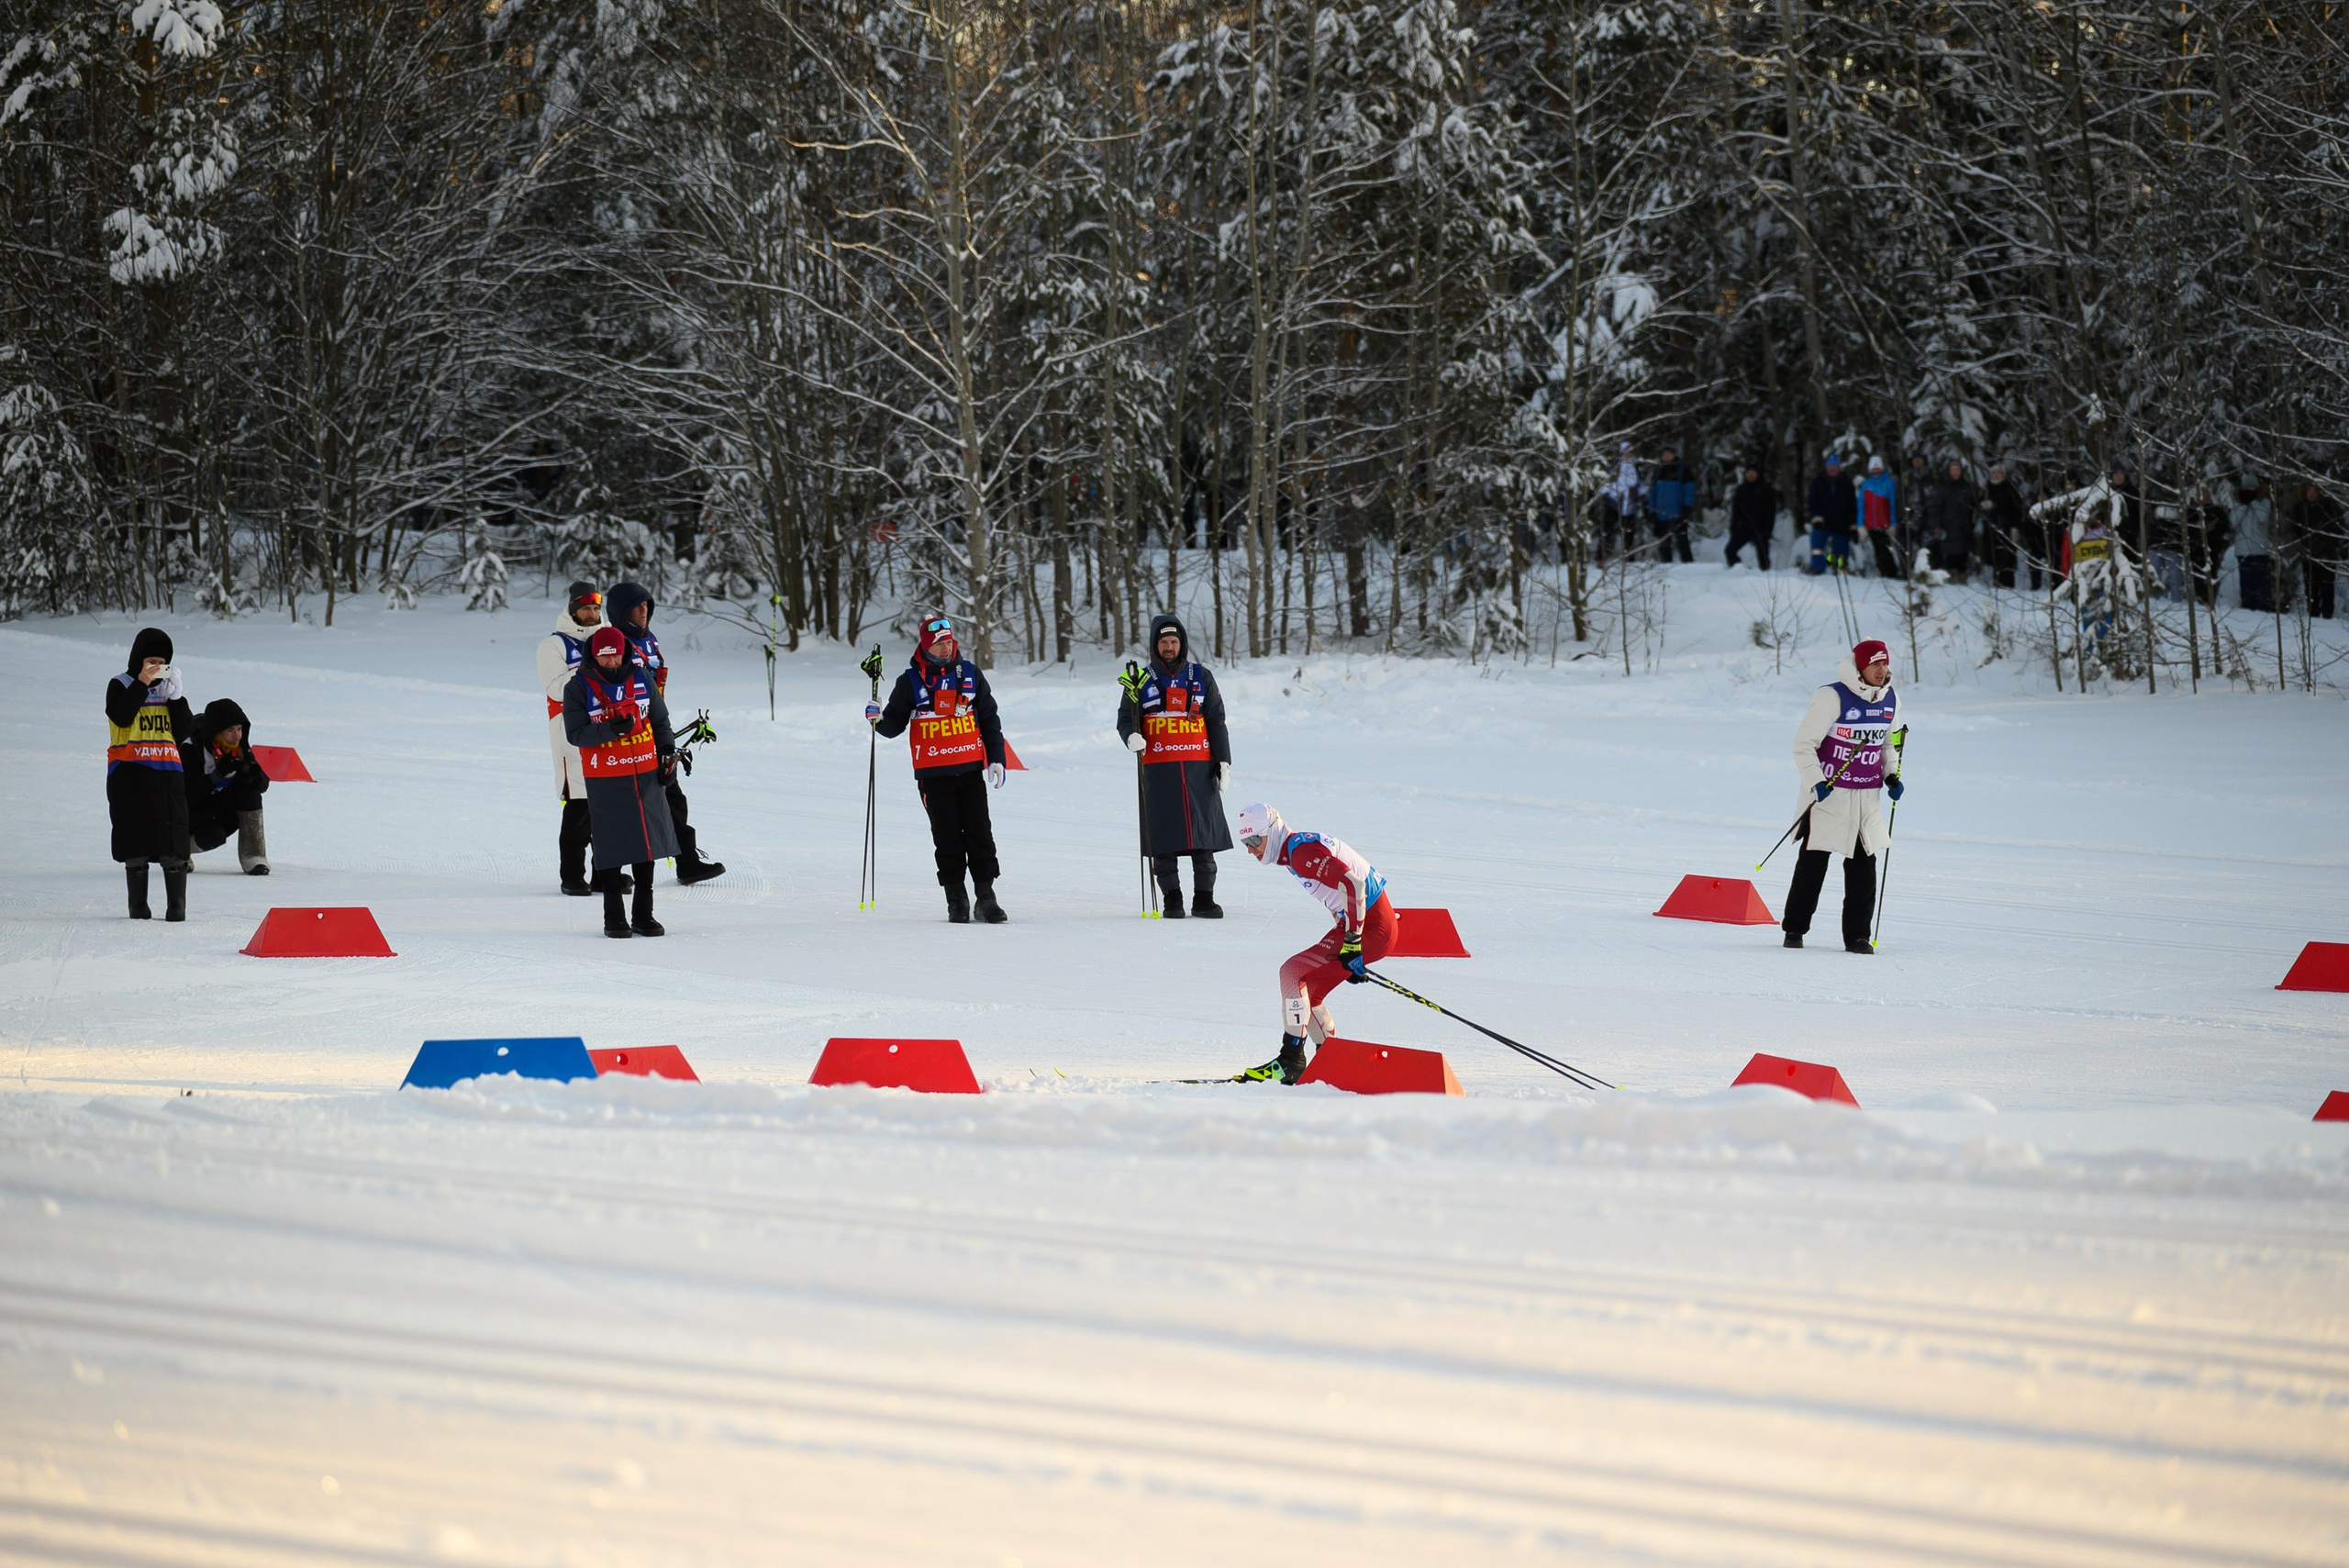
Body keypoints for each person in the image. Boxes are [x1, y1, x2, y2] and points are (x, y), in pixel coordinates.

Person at [1232, 802, 1397, 1084]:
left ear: (1272, 831)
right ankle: (1329, 1059)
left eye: (1255, 840)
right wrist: (1346, 944)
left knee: (1292, 972)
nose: (1250, 849)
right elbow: (1338, 895)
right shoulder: (1295, 851)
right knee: (1310, 992)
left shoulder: (1301, 853)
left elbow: (1354, 885)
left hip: (1372, 926)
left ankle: (1290, 1060)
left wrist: (1353, 943)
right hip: (1367, 925)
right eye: (1245, 843)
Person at [869, 614, 1010, 923]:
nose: (945, 648)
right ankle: (956, 898)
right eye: (938, 643)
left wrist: (996, 758)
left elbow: (989, 718)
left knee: (980, 834)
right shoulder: (909, 681)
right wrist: (877, 717)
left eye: (948, 641)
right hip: (933, 773)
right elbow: (893, 725)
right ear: (925, 646)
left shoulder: (970, 674)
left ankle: (986, 898)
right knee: (947, 837)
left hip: (970, 768)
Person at [1783, 639, 1902, 955]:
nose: (1882, 669)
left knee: (1864, 869)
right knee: (1813, 865)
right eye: (1875, 664)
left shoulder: (1890, 699)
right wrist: (1816, 782)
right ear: (1860, 666)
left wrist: (1892, 774)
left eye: (1885, 663)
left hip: (1868, 800)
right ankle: (1794, 929)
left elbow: (1889, 744)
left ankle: (1858, 937)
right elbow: (1803, 745)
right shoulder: (1832, 696)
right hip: (1830, 797)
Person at [604, 581, 724, 885]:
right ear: (621, 612)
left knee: (672, 796)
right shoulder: (614, 644)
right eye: (637, 606)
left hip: (655, 729)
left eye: (647, 605)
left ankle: (687, 861)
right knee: (626, 804)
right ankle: (606, 870)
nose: (644, 611)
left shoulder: (648, 640)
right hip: (627, 738)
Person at [563, 626, 678, 939]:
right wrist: (611, 730)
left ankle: (644, 915)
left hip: (645, 773)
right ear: (594, 657)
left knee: (647, 844)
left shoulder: (642, 679)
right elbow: (575, 734)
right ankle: (614, 918)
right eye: (604, 656)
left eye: (615, 654)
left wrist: (667, 750)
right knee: (611, 846)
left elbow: (660, 720)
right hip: (606, 775)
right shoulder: (578, 688)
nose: (611, 661)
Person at [1116, 614, 1233, 917]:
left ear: (1182, 644)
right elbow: (1125, 718)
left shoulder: (1202, 676)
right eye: (1164, 642)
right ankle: (1172, 897)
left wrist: (1223, 761)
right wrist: (1131, 737)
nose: (1170, 647)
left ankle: (1204, 897)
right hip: (1159, 768)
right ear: (1156, 646)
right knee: (1163, 834)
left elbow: (1216, 720)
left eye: (1174, 641)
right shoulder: (1139, 679)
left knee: (1202, 834)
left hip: (1198, 767)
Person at [538, 582, 625, 897]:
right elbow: (556, 687)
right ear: (573, 609)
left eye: (596, 608)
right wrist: (593, 670)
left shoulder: (609, 639)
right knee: (580, 806)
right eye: (586, 608)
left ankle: (606, 872)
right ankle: (572, 874)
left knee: (610, 805)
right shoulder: (554, 645)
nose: (592, 614)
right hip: (571, 729)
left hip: (609, 728)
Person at [106, 628, 196, 921]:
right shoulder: (120, 684)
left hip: (168, 772)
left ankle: (176, 905)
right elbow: (120, 715)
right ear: (138, 659)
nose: (156, 667)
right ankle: (138, 904)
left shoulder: (169, 690)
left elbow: (184, 732)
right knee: (135, 835)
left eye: (162, 661)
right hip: (130, 771)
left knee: (173, 836)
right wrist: (141, 684)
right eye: (150, 661)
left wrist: (178, 699)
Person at [184, 698, 269, 874]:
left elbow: (262, 783)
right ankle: (178, 851)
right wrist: (215, 776)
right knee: (211, 836)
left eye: (239, 729)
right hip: (188, 814)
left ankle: (254, 857)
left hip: (217, 807)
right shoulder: (190, 749)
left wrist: (253, 777)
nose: (237, 736)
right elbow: (183, 797)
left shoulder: (239, 746)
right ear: (215, 732)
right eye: (230, 730)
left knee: (250, 794)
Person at [2288, 480, 2340, 619]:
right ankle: (2313, 615)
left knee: (2327, 587)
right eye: (2309, 490)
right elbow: (2295, 529)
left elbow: (2338, 529)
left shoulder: (2329, 507)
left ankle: (2328, 615)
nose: (2311, 493)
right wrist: (2301, 545)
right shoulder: (2300, 507)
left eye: (2314, 490)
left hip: (2327, 554)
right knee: (2311, 588)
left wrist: (2331, 544)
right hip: (2308, 553)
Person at [1926, 458, 1979, 580]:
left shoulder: (1967, 487)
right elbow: (1934, 509)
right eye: (1953, 470)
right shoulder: (1943, 488)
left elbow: (1975, 506)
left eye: (1957, 470)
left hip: (1964, 530)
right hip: (1948, 530)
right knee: (1951, 558)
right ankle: (1952, 580)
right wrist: (1936, 527)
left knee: (1963, 558)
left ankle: (1962, 578)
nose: (1955, 472)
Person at [1804, 452, 1855, 574]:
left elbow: (1852, 504)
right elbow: (1812, 501)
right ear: (1826, 467)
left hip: (1842, 522)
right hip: (1823, 522)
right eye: (1830, 466)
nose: (1832, 469)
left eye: (1835, 466)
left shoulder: (1847, 483)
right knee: (1817, 544)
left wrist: (1853, 523)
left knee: (1841, 547)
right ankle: (1818, 567)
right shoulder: (1818, 482)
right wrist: (1816, 517)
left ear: (1839, 468)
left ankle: (1839, 568)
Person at [2231, 477, 2276, 612]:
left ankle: (2263, 611)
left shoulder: (2264, 502)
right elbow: (2233, 522)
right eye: (2246, 488)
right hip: (2242, 551)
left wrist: (2254, 502)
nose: (2249, 490)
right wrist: (2244, 505)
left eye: (2252, 488)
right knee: (2246, 585)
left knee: (2261, 585)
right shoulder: (2238, 504)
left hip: (2260, 550)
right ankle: (2247, 611)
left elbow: (2263, 518)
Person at [1648, 445, 1698, 563]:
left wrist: (1687, 506)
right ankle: (1666, 566)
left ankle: (1689, 565)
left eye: (1669, 453)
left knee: (1682, 541)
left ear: (1674, 454)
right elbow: (1652, 492)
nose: (1667, 456)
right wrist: (1651, 510)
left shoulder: (1683, 470)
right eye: (1664, 454)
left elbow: (1690, 489)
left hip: (1678, 512)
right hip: (1661, 514)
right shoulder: (1658, 471)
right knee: (1664, 543)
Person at [1983, 464, 2029, 588]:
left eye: (1998, 473)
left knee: (2007, 560)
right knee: (1995, 560)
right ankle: (1996, 584)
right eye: (1994, 473)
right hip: (1992, 530)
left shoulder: (2010, 489)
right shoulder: (1987, 489)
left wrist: (2016, 527)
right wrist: (1985, 508)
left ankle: (2008, 586)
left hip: (2008, 529)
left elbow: (2017, 510)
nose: (1996, 475)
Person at [1725, 463, 1776, 570]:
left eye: (1753, 473)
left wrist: (1768, 530)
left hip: (1760, 530)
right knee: (1729, 551)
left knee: (1764, 558)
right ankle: (1738, 570)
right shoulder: (1741, 490)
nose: (1751, 475)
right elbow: (1736, 510)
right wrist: (1733, 526)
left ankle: (1765, 578)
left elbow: (1771, 512)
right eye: (1749, 473)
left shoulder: (1766, 490)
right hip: (1744, 528)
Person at [1859, 456, 1899, 577]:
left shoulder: (1889, 483)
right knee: (1877, 549)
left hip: (1885, 524)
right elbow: (1861, 506)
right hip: (1871, 525)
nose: (1875, 471)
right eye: (1873, 468)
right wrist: (1860, 525)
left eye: (1878, 468)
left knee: (1885, 549)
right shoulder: (1866, 485)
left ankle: (1891, 573)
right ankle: (1882, 573)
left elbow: (1893, 504)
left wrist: (1893, 523)